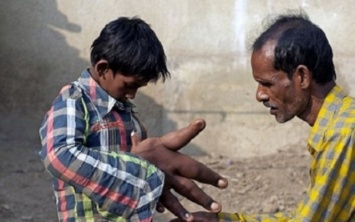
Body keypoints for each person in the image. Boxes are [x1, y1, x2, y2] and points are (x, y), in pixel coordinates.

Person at [170, 11, 355, 222]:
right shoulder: (340, 123)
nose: (260, 95)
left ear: (302, 77)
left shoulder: (341, 135)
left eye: (267, 84)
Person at [39, 16, 228, 222]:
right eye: (130, 85)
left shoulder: (127, 113)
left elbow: (141, 168)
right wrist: (140, 169)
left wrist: (155, 174)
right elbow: (59, 154)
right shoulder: (74, 101)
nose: (133, 94)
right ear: (103, 69)